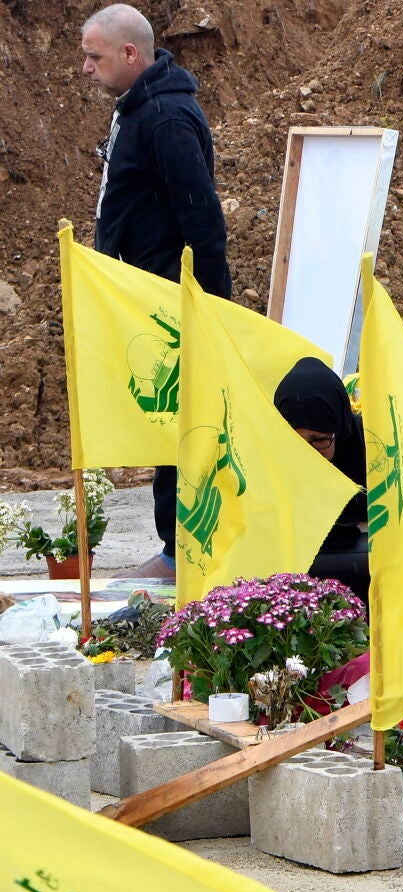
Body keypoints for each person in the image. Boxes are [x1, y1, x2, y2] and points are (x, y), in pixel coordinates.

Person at [80, 4, 232, 580]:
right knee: (167, 419)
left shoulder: (165, 118)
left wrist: (208, 310)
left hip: (174, 301)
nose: (86, 68)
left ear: (129, 54)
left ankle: (179, 552)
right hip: (145, 296)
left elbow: (203, 219)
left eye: (94, 57)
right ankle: (176, 548)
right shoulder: (138, 108)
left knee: (180, 422)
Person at [272, 358, 369, 605]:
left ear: (339, 426)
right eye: (295, 441)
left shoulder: (371, 451)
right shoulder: (266, 456)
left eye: (319, 440)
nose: (308, 452)